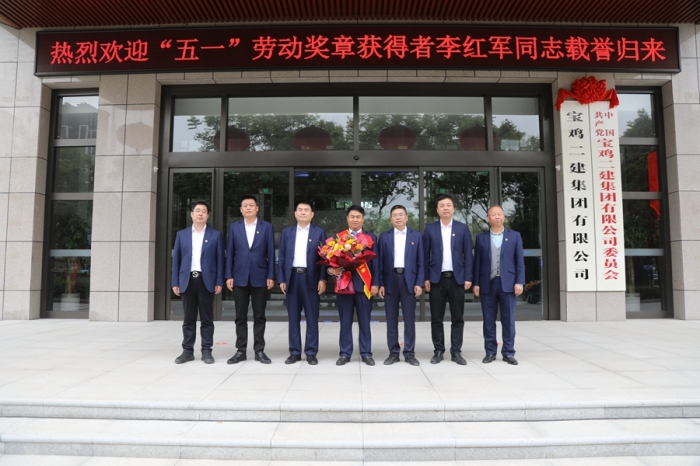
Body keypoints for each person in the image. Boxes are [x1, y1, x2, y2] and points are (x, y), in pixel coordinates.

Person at [423, 194, 473, 365]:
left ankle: (456, 352)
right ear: (437, 210)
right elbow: (425, 255)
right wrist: (426, 277)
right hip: (436, 279)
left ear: (453, 208)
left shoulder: (462, 228)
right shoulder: (430, 229)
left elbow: (468, 255)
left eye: (448, 205)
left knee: (457, 318)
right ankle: (438, 351)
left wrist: (468, 277)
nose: (445, 208)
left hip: (457, 279)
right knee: (436, 318)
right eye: (442, 205)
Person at [171, 201, 224, 364]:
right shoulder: (182, 235)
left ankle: (207, 351)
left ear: (207, 215)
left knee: (207, 319)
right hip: (187, 280)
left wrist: (219, 281)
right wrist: (175, 282)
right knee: (188, 319)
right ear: (192, 214)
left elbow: (220, 260)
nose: (200, 213)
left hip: (206, 280)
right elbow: (176, 260)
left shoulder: (215, 235)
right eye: (198, 210)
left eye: (204, 211)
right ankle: (187, 351)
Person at [225, 195, 276, 364]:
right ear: (241, 210)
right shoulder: (234, 228)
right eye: (245, 205)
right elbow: (229, 253)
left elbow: (270, 253)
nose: (248, 208)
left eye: (251, 205)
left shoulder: (266, 227)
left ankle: (259, 350)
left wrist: (271, 275)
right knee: (240, 316)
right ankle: (240, 350)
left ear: (257, 208)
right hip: (239, 276)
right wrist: (229, 275)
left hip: (260, 277)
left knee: (259, 316)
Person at [473, 205, 525, 366]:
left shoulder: (515, 236)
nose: (497, 217)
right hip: (487, 283)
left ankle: (508, 352)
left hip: (508, 284)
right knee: (488, 320)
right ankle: (490, 352)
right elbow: (477, 263)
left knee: (508, 320)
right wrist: (476, 283)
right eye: (493, 215)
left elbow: (519, 261)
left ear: (504, 217)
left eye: (499, 214)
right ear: (488, 219)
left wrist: (519, 282)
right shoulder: (481, 238)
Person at [327, 205, 379, 366]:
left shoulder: (371, 238)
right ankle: (345, 353)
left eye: (358, 217)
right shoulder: (338, 238)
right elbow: (330, 262)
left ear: (363, 219)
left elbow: (377, 263)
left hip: (364, 285)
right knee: (345, 322)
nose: (355, 220)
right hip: (344, 285)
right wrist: (331, 270)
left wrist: (376, 283)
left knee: (365, 322)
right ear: (347, 218)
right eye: (352, 217)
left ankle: (366, 353)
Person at [278, 201, 327, 365]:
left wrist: (323, 279)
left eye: (306, 210)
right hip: (292, 278)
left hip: (311, 278)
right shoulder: (287, 232)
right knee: (293, 317)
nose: (303, 212)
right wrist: (282, 279)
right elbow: (282, 257)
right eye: (300, 210)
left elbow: (324, 258)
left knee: (312, 317)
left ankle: (311, 352)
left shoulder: (319, 232)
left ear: (312, 214)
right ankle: (294, 352)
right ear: (295, 213)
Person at [377, 205, 424, 366]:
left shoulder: (416, 236)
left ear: (406, 217)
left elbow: (421, 261)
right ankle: (393, 352)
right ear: (391, 219)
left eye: (401, 214)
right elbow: (380, 262)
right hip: (390, 280)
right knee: (391, 319)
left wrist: (419, 282)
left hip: (409, 280)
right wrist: (380, 283)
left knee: (409, 319)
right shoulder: (384, 237)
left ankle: (409, 353)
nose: (398, 217)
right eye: (395, 215)